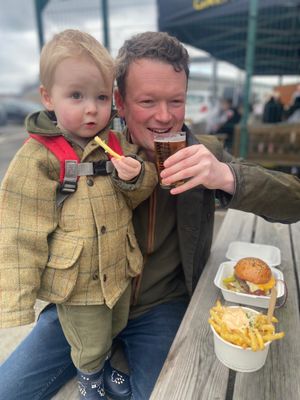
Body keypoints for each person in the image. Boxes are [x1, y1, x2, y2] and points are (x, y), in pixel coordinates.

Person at [1, 31, 300, 400]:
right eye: (147, 101)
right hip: (83, 300)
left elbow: (293, 202)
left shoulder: (203, 153)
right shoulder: (87, 152)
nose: (164, 116)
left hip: (160, 308)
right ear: (120, 104)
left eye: (176, 101)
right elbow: (20, 223)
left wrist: (226, 176)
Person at [0, 29, 157, 400]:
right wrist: (17, 301)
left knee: (114, 324)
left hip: (118, 268)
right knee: (89, 339)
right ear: (47, 98)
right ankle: (90, 377)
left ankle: (100, 365)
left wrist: (136, 177)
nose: (92, 108)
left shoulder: (115, 144)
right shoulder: (40, 157)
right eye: (76, 96)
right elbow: (20, 229)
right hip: (78, 279)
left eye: (101, 97)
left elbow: (141, 189)